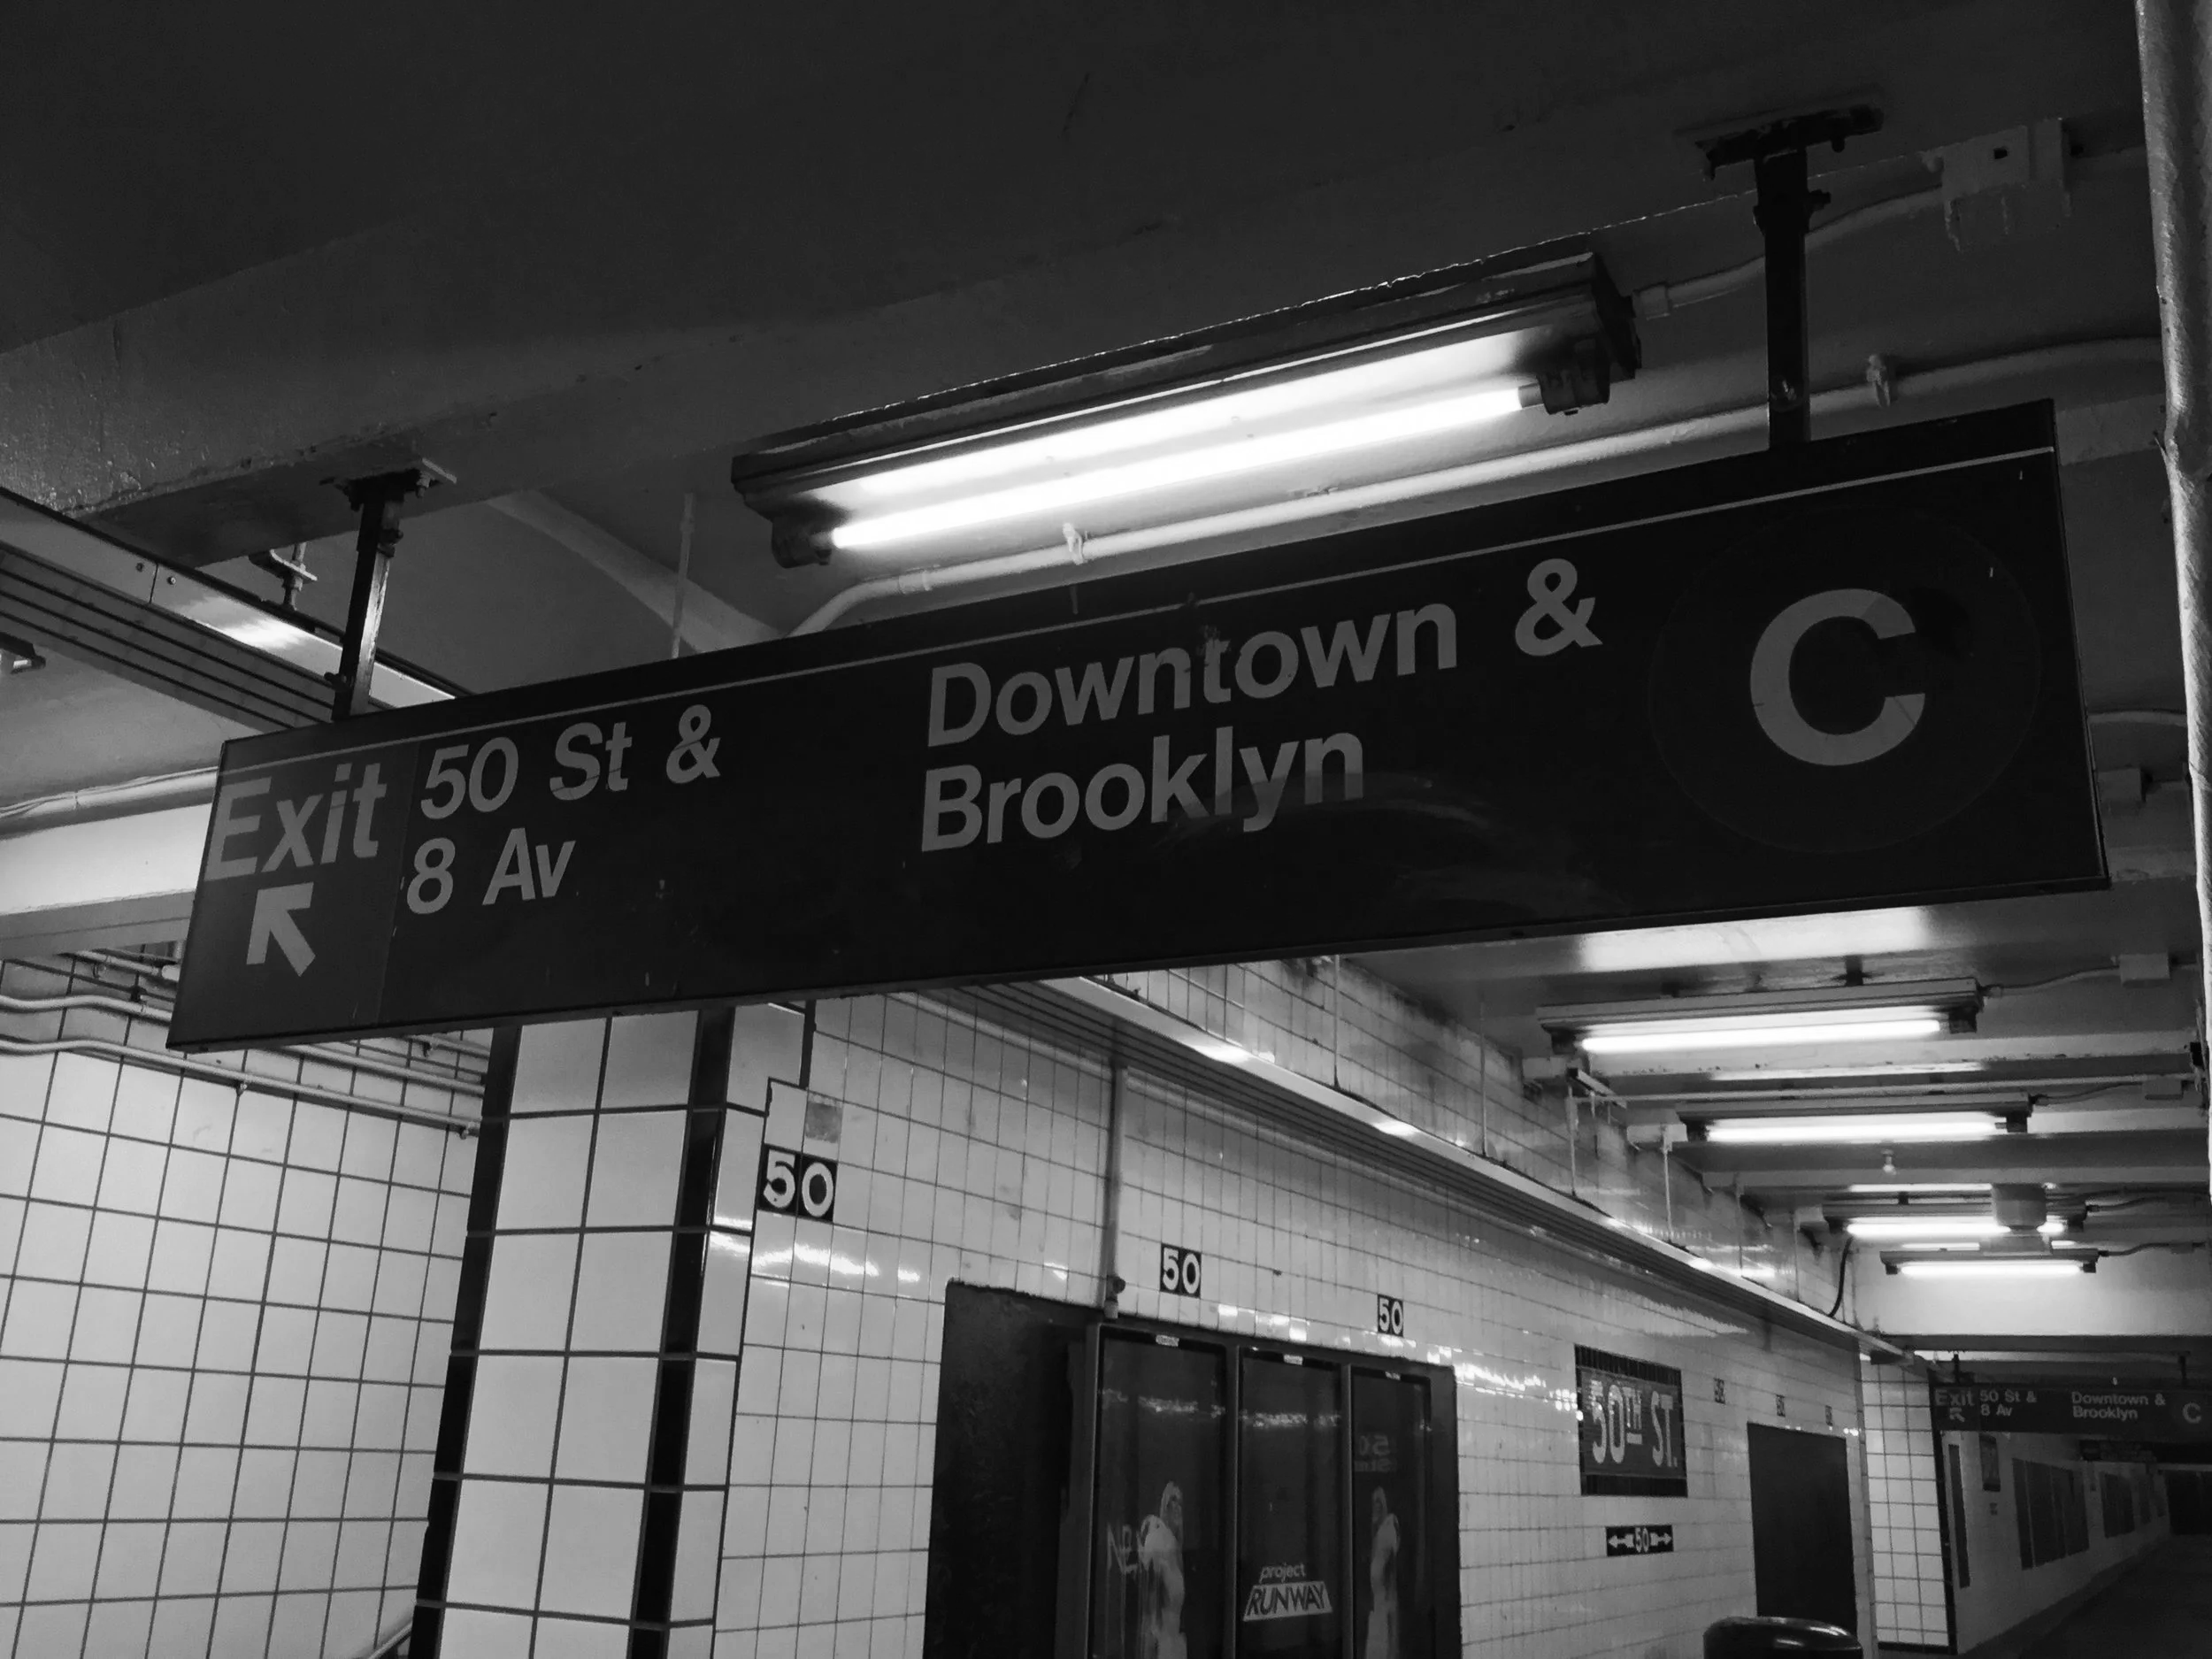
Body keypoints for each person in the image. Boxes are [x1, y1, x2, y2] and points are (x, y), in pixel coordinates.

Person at [1137, 1480, 1187, 1659]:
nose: (1177, 1507)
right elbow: (1149, 1608)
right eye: (1173, 1500)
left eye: (1180, 1502)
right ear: (1165, 1504)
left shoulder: (1175, 1549)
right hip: (1161, 1647)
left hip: (1175, 1646)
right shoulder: (1157, 1540)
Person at [1363, 1486, 1400, 1659]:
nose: (1376, 1506)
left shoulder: (1389, 1526)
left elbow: (1392, 1563)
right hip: (1376, 1596)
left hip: (1384, 1596)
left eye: (1379, 1502)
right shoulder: (1376, 1528)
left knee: (1384, 1639)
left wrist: (1390, 1594)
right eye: (1374, 1503)